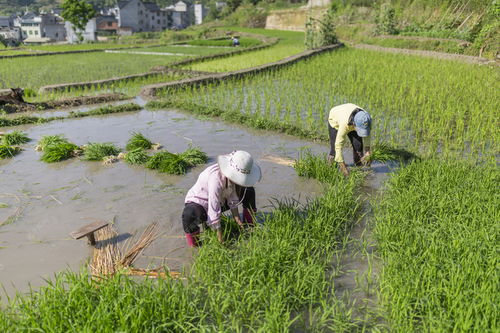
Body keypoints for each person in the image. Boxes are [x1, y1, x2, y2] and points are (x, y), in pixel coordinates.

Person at [182, 150, 261, 247]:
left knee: (248, 190)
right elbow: (213, 207)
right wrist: (220, 240)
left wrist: (238, 222)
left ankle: (250, 226)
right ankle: (195, 246)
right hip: (201, 204)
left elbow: (233, 199)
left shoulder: (232, 178)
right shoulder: (215, 178)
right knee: (189, 214)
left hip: (222, 201)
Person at [327, 103, 372, 176]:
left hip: (351, 116)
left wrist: (367, 151)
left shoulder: (366, 119)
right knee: (334, 151)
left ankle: (359, 168)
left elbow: (367, 134)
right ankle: (329, 171)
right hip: (335, 118)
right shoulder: (344, 124)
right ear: (354, 124)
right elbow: (338, 145)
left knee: (358, 147)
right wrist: (343, 166)